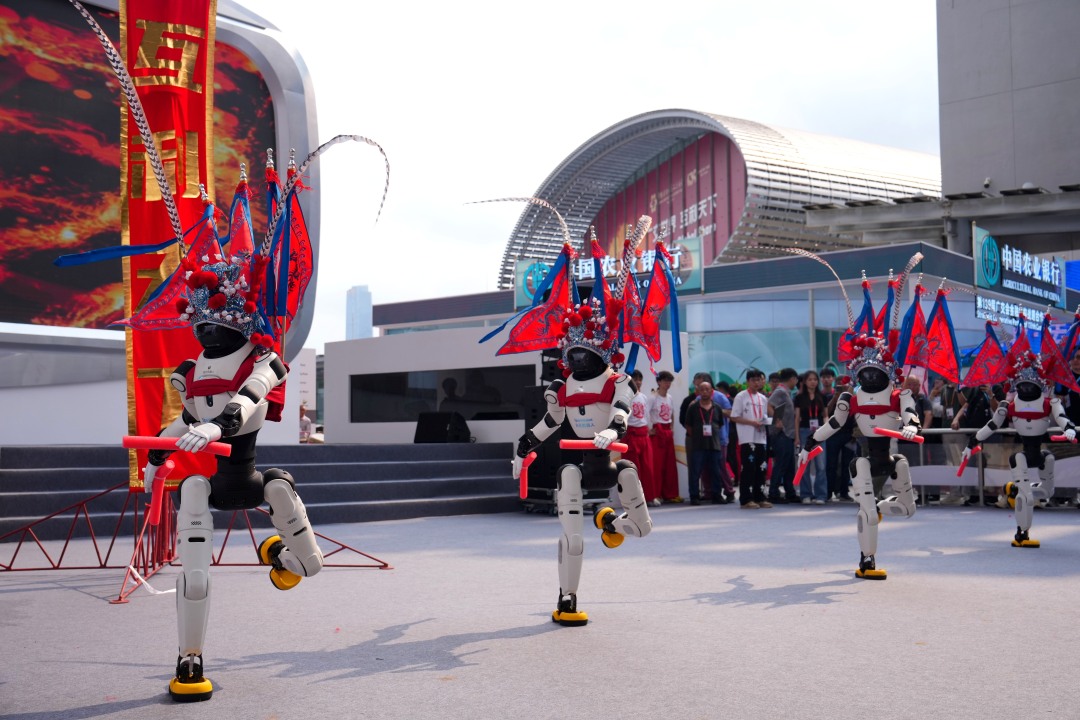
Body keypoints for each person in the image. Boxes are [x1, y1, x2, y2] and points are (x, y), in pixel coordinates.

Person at [142, 248, 325, 701]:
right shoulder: (192, 373)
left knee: (310, 562)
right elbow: (182, 423)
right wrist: (155, 459)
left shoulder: (262, 361)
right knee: (195, 563)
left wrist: (216, 427)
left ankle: (278, 553)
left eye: (216, 319)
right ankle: (189, 658)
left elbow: (247, 399)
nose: (206, 329)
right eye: (200, 321)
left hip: (251, 478)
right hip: (211, 484)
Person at [511, 297, 653, 626]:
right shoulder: (561, 386)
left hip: (610, 460)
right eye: (572, 353)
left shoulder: (618, 381)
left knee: (642, 527)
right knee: (573, 539)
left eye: (584, 353)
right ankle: (567, 598)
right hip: (577, 466)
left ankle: (610, 524)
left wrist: (613, 430)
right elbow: (551, 421)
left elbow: (621, 410)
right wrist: (524, 446)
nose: (577, 359)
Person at [962, 315, 1079, 547]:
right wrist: (971, 442)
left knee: (1046, 492)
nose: (1026, 388)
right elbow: (992, 425)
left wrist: (1070, 430)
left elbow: (1063, 418)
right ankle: (1021, 534)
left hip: (1042, 453)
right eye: (1022, 385)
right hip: (1021, 455)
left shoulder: (1050, 403)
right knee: (1026, 498)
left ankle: (1014, 489)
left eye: (1030, 384)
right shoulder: (1009, 405)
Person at [730, 369, 773, 509]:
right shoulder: (741, 396)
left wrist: (768, 421)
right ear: (748, 381)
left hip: (761, 437)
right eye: (753, 380)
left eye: (759, 380)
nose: (756, 383)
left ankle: (760, 497)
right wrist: (751, 422)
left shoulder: (763, 398)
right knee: (748, 468)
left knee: (761, 468)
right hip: (747, 437)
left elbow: (763, 416)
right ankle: (746, 499)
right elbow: (734, 417)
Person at [685, 381, 728, 505]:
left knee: (716, 471)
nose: (704, 392)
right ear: (698, 391)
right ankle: (694, 496)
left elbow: (719, 425)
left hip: (714, 445)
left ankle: (716, 495)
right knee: (695, 472)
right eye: (702, 389)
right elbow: (688, 426)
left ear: (711, 391)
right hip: (698, 445)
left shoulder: (717, 408)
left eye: (707, 389)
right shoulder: (693, 407)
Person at [795, 370, 828, 504]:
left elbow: (825, 416)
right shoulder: (799, 397)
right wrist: (797, 437)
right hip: (804, 431)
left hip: (820, 432)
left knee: (821, 465)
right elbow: (797, 418)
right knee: (804, 463)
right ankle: (806, 494)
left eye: (815, 379)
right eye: (810, 379)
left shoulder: (822, 396)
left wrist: (826, 430)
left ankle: (821, 495)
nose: (813, 382)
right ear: (804, 382)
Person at [767, 368, 799, 504]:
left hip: (788, 433)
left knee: (789, 465)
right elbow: (769, 405)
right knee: (781, 464)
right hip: (781, 433)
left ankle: (790, 492)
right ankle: (773, 493)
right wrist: (777, 420)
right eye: (796, 380)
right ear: (792, 379)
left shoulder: (786, 392)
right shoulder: (780, 391)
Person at [626, 372, 658, 506]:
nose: (638, 382)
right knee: (632, 470)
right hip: (631, 436)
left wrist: (649, 429)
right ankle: (634, 500)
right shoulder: (625, 397)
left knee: (648, 468)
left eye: (640, 379)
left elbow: (646, 416)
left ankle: (650, 497)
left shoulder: (644, 397)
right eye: (635, 379)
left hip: (644, 435)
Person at [648, 370, 680, 503]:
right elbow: (644, 413)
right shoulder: (652, 397)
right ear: (659, 382)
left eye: (669, 381)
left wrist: (671, 427)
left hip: (667, 432)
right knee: (657, 465)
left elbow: (672, 414)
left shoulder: (670, 397)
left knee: (670, 464)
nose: (667, 384)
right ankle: (656, 494)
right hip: (658, 432)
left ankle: (670, 494)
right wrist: (648, 430)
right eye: (665, 381)